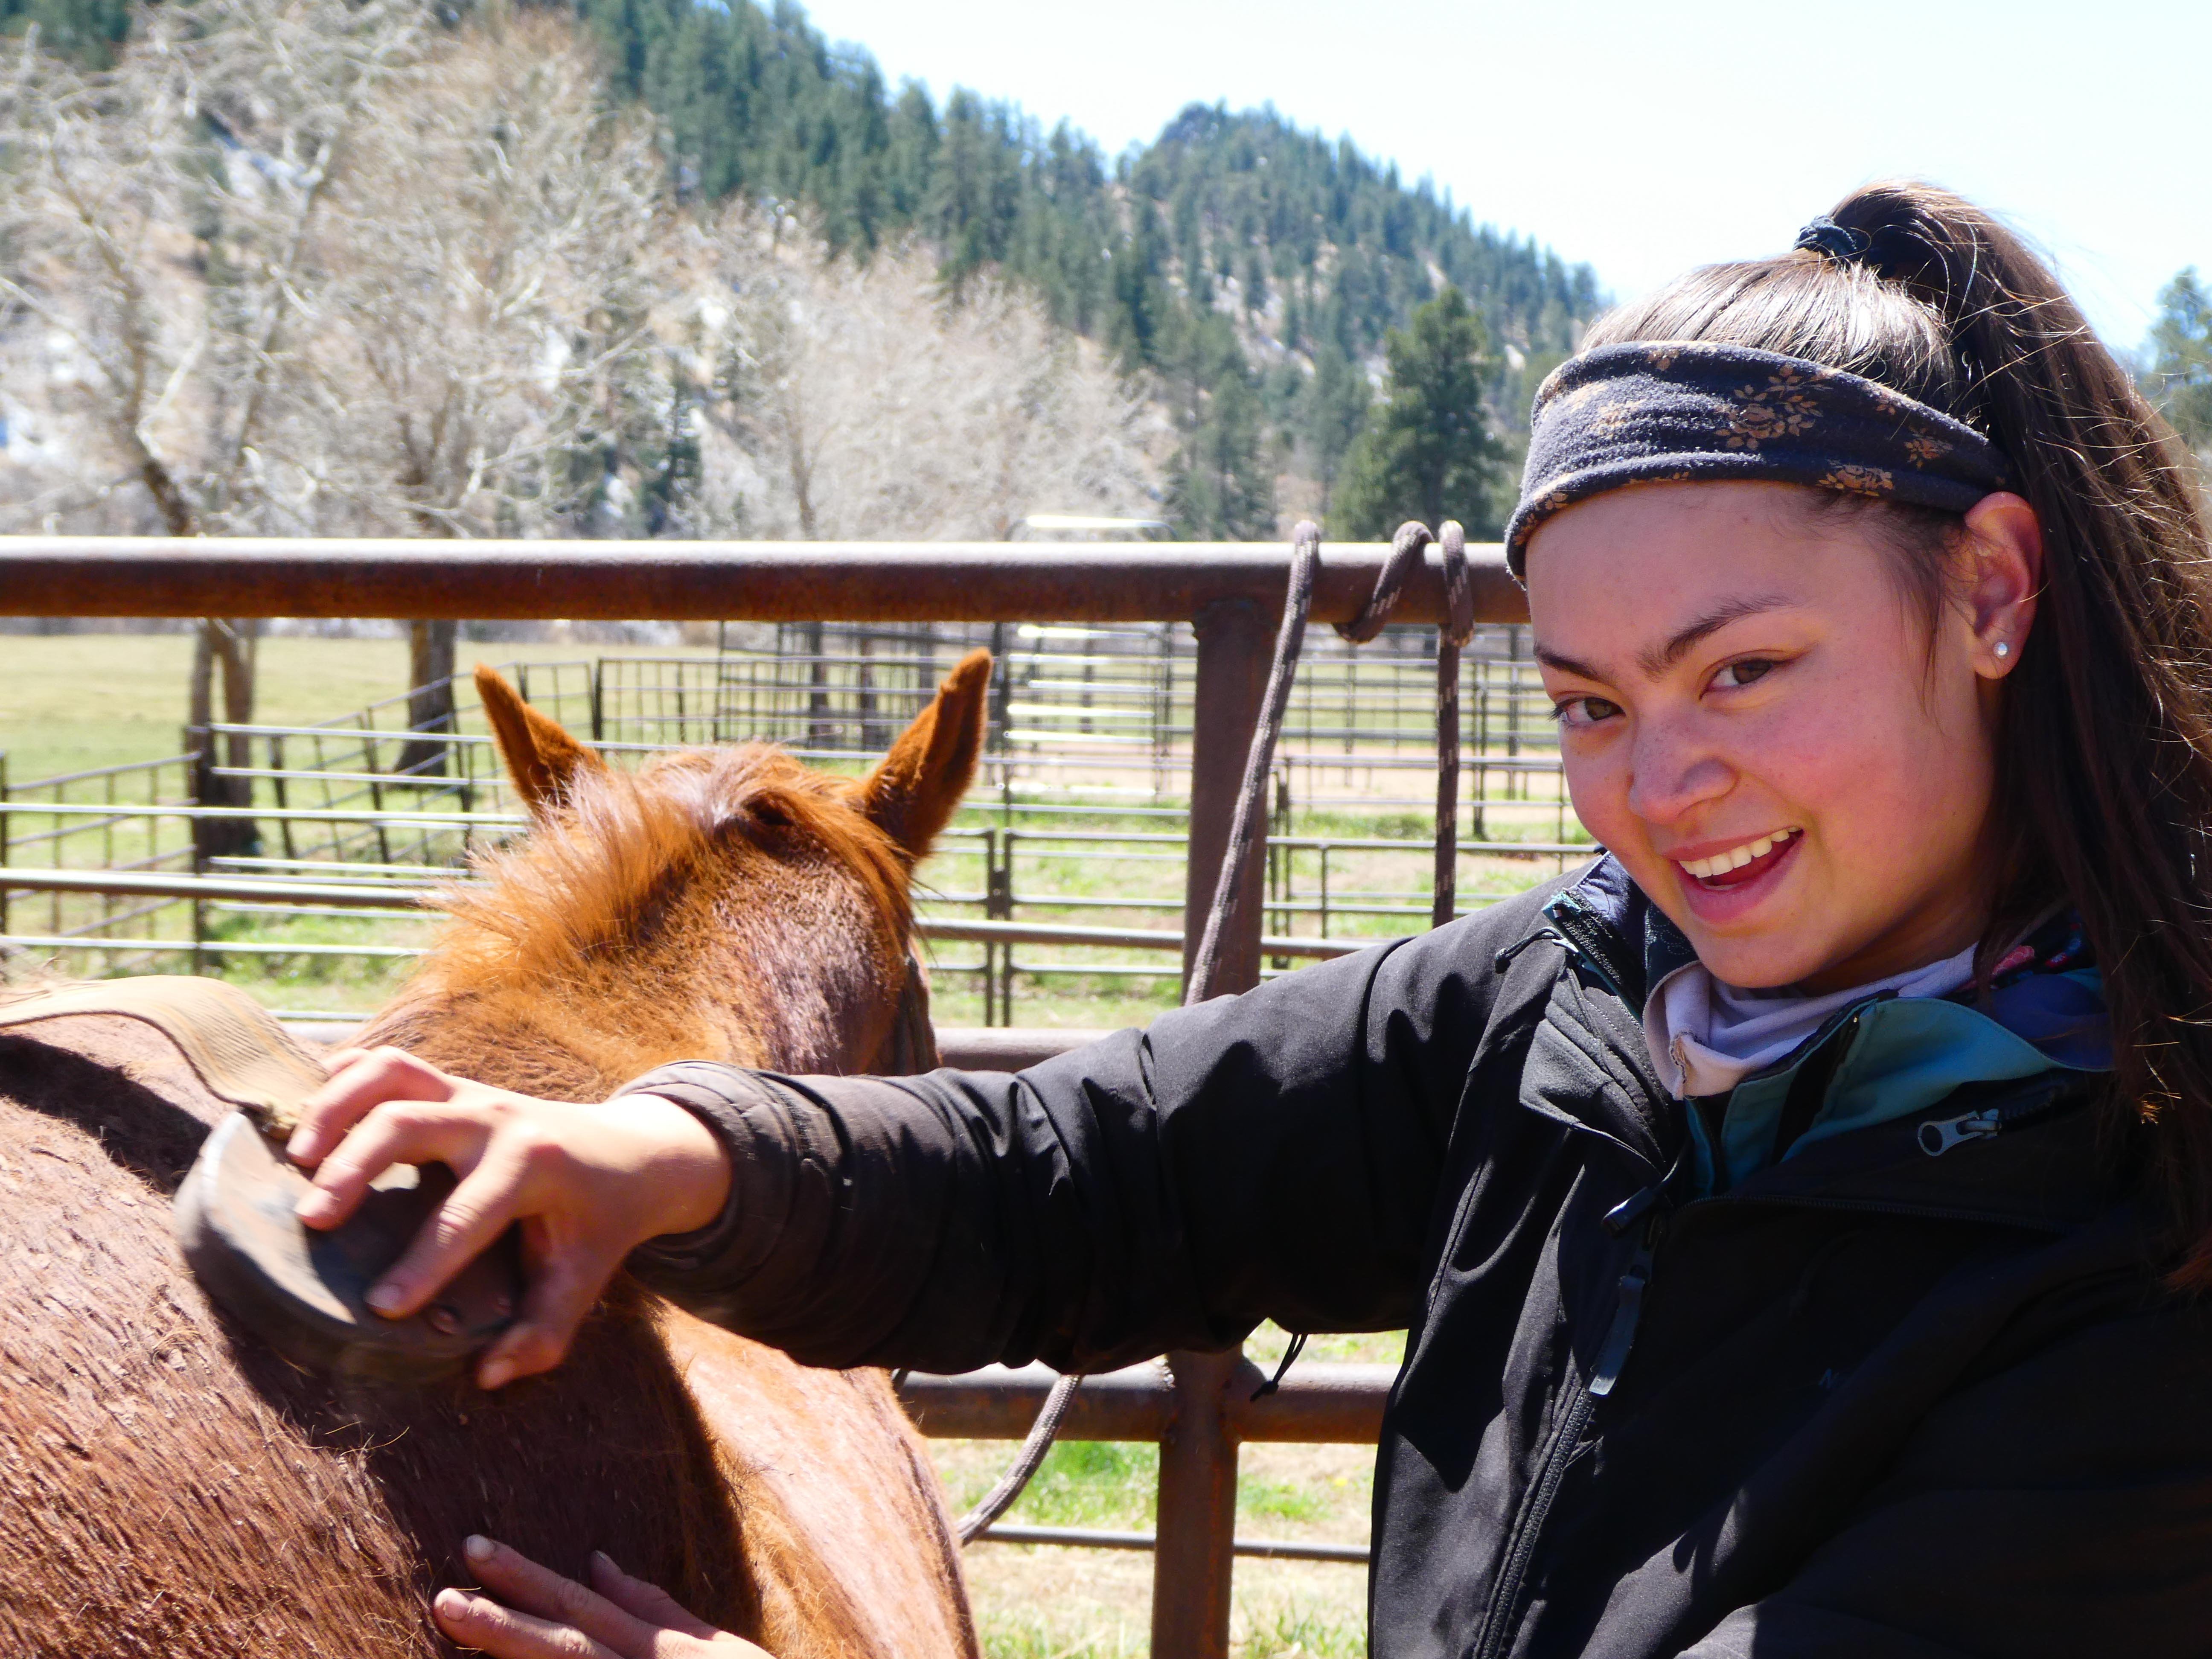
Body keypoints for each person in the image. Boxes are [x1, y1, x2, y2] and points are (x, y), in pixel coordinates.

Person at [290, 180, 2212, 1659]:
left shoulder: (2140, 1239)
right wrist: (676, 1147)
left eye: (1742, 672)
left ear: (1992, 591)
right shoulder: (1589, 996)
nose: (1659, 787)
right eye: (1591, 704)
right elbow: (1092, 1161)